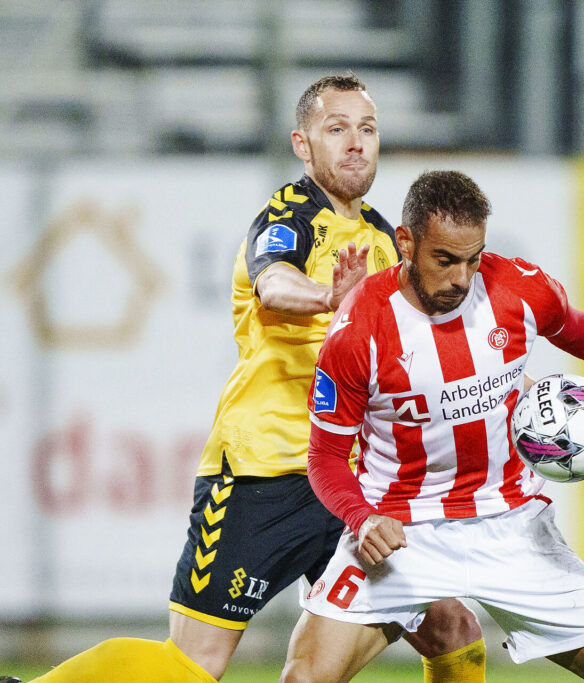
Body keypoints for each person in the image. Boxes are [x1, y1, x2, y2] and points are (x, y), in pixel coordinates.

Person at [33, 75, 485, 683]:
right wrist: (332, 297)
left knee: (451, 629)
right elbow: (274, 284)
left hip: (350, 486)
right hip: (262, 473)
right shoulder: (286, 217)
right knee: (192, 664)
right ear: (303, 144)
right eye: (337, 129)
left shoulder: (384, 238)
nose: (356, 143)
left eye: (367, 129)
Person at [274, 169, 584, 683]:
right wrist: (363, 518)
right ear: (406, 243)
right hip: (402, 530)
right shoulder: (358, 329)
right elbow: (324, 459)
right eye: (444, 260)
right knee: (303, 679)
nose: (461, 278)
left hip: (512, 528)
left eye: (472, 259)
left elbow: (574, 328)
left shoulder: (516, 287)